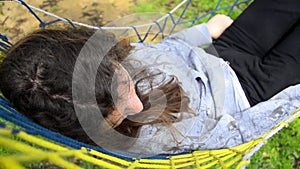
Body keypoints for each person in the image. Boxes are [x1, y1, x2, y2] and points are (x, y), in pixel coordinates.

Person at [0, 0, 299, 155]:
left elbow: (163, 51)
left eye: (123, 81)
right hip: (251, 93)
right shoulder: (142, 142)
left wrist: (204, 31)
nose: (136, 105)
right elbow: (230, 134)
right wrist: (291, 98)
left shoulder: (105, 61)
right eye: (114, 115)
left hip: (223, 52)